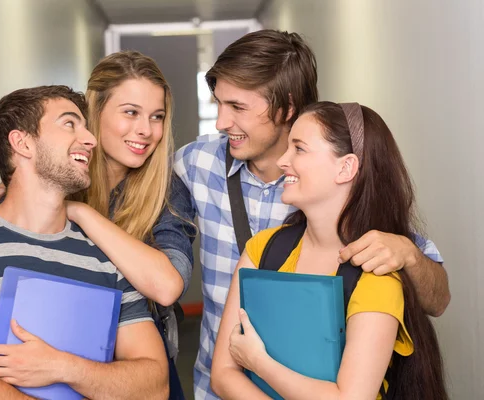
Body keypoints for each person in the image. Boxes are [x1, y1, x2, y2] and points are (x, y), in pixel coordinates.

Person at [173, 30, 451, 399]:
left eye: (237, 107)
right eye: (219, 103)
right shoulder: (194, 163)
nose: (221, 122)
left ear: (286, 108)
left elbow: (438, 299)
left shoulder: (366, 237)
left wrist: (408, 255)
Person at [0, 51, 195, 398]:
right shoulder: (58, 176)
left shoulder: (166, 191)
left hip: (128, 362)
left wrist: (79, 212)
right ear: (94, 116)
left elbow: (167, 286)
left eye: (157, 117)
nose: (146, 130)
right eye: (131, 112)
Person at [210, 101, 448, 400]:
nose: (283, 160)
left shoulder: (376, 272)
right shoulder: (263, 249)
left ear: (346, 167)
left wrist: (259, 362)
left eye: (299, 148)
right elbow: (222, 374)